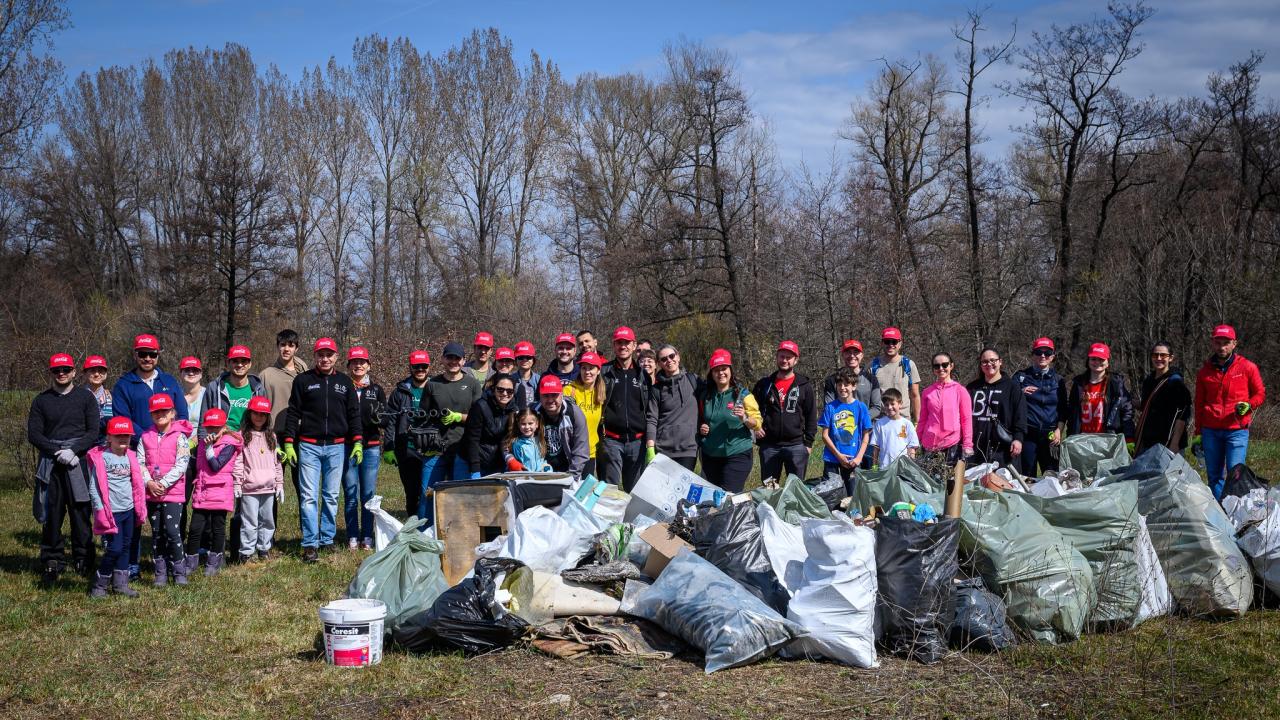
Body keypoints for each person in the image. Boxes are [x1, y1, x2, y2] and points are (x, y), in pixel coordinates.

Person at [282, 337, 362, 563]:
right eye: (320, 355)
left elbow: (353, 414)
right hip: (308, 446)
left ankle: (327, 539)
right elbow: (293, 412)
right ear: (314, 357)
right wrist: (289, 441)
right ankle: (310, 544)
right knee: (308, 497)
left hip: (337, 447)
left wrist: (357, 441)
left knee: (331, 496)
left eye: (329, 355)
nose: (325, 359)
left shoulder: (345, 382)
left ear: (336, 357)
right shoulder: (303, 380)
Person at [29, 353, 100, 586]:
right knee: (52, 513)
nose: (61, 373)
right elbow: (35, 434)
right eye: (57, 370)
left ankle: (84, 558)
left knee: (80, 513)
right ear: (51, 373)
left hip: (77, 463)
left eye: (66, 369)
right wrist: (55, 451)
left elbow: (93, 431)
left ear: (73, 372)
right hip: (51, 464)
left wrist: (74, 450)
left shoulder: (85, 398)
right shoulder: (41, 401)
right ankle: (52, 560)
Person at [1194, 324, 1266, 500]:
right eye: (1218, 343)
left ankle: (1237, 514)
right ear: (1213, 343)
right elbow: (1199, 403)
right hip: (1210, 430)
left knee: (1236, 475)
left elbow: (1260, 393)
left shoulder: (1248, 367)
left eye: (1226, 343)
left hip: (1236, 430)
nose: (1222, 347)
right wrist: (1197, 433)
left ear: (1234, 344)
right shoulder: (1205, 372)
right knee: (1214, 476)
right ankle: (1222, 515)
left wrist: (1249, 405)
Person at [417, 342, 482, 524]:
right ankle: (424, 535)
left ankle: (458, 534)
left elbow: (480, 418)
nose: (453, 361)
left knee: (460, 495)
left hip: (463, 449)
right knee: (427, 493)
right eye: (449, 357)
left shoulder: (472, 384)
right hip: (435, 448)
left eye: (457, 358)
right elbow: (423, 416)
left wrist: (459, 417)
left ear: (463, 361)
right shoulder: (432, 385)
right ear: (443, 359)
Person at [85, 417, 146, 598]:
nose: (123, 439)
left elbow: (136, 484)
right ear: (108, 437)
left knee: (126, 546)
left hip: (128, 511)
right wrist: (100, 510)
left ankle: (121, 584)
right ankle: (100, 584)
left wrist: (138, 507)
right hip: (111, 512)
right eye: (118, 435)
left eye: (126, 436)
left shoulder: (131, 457)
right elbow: (94, 488)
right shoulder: (102, 458)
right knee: (115, 548)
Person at [137, 394, 192, 587]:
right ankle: (160, 572)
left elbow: (182, 463)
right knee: (157, 533)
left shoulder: (180, 437)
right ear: (151, 414)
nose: (160, 414)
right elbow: (139, 463)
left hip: (173, 493)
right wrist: (149, 483)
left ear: (172, 413)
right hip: (152, 493)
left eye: (164, 411)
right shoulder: (145, 437)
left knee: (172, 531)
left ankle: (178, 570)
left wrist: (164, 483)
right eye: (156, 411)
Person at [185, 408, 243, 578]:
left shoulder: (229, 444)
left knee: (218, 529)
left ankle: (214, 563)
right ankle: (191, 562)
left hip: (219, 492)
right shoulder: (202, 443)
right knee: (195, 529)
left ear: (224, 427)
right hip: (202, 493)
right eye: (209, 428)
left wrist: (209, 448)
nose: (212, 431)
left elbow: (216, 466)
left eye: (216, 428)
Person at [752, 340, 818, 481]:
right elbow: (751, 410)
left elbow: (811, 415)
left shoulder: (804, 385)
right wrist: (754, 429)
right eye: (782, 356)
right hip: (769, 446)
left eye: (789, 357)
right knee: (769, 491)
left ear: (796, 360)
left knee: (796, 490)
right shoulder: (764, 385)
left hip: (796, 446)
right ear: (777, 357)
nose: (785, 360)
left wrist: (808, 443)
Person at [698, 349, 762, 492]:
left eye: (724, 369)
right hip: (710, 455)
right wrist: (703, 427)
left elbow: (757, 423)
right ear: (711, 373)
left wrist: (744, 418)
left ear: (730, 370)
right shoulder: (706, 395)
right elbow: (703, 419)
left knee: (729, 496)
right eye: (716, 370)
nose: (721, 373)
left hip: (736, 454)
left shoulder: (743, 395)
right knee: (711, 497)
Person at [111, 334, 189, 445]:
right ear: (135, 355)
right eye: (142, 354)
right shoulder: (123, 385)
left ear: (157, 356)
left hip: (171, 447)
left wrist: (173, 439)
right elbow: (123, 420)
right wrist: (147, 440)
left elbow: (182, 415)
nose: (148, 358)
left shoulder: (169, 381)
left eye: (152, 354)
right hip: (138, 449)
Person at [344, 346, 385, 550]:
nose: (358, 365)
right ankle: (352, 535)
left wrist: (380, 417)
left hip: (371, 447)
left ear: (368, 365)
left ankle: (367, 535)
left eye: (362, 362)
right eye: (354, 362)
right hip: (348, 446)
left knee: (368, 493)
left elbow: (385, 419)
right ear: (349, 365)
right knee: (351, 492)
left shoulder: (376, 390)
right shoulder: (343, 387)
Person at [382, 350, 432, 517]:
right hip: (407, 448)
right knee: (412, 492)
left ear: (428, 367)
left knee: (429, 490)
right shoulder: (400, 391)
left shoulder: (436, 388)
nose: (420, 370)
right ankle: (412, 527)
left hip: (431, 449)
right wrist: (389, 446)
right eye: (416, 366)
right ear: (410, 367)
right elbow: (391, 421)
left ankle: (429, 526)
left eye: (424, 366)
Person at [260, 329, 308, 501]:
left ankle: (307, 528)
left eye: (291, 345)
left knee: (302, 485)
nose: (286, 349)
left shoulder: (304, 374)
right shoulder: (266, 375)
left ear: (297, 348)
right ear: (277, 347)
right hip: (274, 436)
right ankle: (268, 527)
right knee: (271, 485)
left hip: (299, 434)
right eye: (282, 345)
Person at [235, 396, 283, 562]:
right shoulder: (242, 436)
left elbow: (277, 463)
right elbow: (238, 462)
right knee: (249, 522)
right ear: (249, 414)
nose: (259, 417)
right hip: (249, 488)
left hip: (269, 488)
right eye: (255, 413)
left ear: (268, 416)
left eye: (263, 414)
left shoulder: (272, 436)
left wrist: (280, 484)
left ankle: (264, 549)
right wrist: (237, 483)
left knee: (267, 521)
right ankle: (246, 552)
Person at [601, 326, 649, 490]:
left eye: (627, 343)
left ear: (634, 345)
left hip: (637, 441)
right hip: (612, 440)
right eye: (619, 343)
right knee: (610, 491)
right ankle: (609, 517)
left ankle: (631, 517)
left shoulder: (643, 375)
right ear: (614, 346)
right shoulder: (604, 372)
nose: (623, 346)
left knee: (634, 490)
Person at [1013, 338, 1068, 476]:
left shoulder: (1059, 380)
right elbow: (1008, 400)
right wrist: (1020, 393)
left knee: (1052, 476)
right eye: (1038, 352)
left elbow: (1063, 409)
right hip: (1028, 435)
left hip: (1050, 436)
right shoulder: (1021, 377)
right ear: (1032, 355)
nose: (1042, 356)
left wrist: (1059, 430)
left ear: (1053, 356)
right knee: (1027, 475)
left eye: (1047, 352)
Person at [967, 348, 1027, 468]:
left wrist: (1018, 439)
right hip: (976, 448)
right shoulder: (972, 388)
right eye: (984, 362)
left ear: (1000, 362)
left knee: (1002, 485)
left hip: (1003, 449)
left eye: (993, 360)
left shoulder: (1012, 388)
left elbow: (1020, 417)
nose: (989, 364)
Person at [1063, 343, 1135, 440]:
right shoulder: (1079, 384)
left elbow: (1127, 412)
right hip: (1082, 440)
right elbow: (1072, 414)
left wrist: (1129, 437)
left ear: (1108, 362)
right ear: (1088, 361)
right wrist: (1070, 436)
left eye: (1101, 359)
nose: (1097, 362)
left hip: (1108, 440)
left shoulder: (1116, 384)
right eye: (1093, 359)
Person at [819, 367, 872, 497]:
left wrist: (859, 457)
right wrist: (838, 456)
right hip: (832, 459)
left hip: (853, 461)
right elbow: (825, 435)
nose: (842, 387)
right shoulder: (830, 407)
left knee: (852, 497)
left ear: (854, 386)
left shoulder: (861, 407)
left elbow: (866, 435)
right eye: (839, 384)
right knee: (832, 497)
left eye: (846, 384)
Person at [1134, 341, 1193, 456]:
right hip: (1148, 443)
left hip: (1168, 444)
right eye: (1155, 355)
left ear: (1170, 358)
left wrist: (1174, 444)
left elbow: (1182, 415)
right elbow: (1149, 407)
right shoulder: (1148, 381)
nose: (1158, 358)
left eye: (1163, 355)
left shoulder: (1175, 383)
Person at [532, 375, 590, 480]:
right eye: (546, 395)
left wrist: (570, 478)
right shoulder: (532, 413)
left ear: (561, 395)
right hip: (539, 472)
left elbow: (581, 451)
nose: (550, 400)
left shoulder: (574, 413)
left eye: (554, 395)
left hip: (567, 471)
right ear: (540, 396)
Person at [917, 352, 973, 461]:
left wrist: (968, 444)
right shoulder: (927, 392)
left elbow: (966, 420)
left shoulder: (960, 390)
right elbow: (922, 420)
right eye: (937, 366)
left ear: (951, 366)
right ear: (933, 369)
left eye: (944, 364)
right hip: (929, 444)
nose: (941, 368)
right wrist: (915, 441)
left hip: (952, 444)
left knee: (949, 478)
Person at [200, 345, 266, 436]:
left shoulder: (258, 389)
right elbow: (203, 421)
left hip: (250, 438)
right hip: (221, 438)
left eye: (243, 361)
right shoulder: (214, 387)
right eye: (235, 361)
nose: (239, 365)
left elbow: (265, 420)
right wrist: (203, 446)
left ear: (250, 364)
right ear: (228, 363)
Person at [465, 372, 518, 478]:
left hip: (496, 463)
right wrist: (474, 469)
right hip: (471, 461)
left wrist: (511, 459)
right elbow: (472, 440)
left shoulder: (514, 410)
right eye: (500, 389)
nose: (504, 393)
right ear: (493, 389)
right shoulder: (480, 406)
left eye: (509, 391)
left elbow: (509, 440)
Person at [563, 352, 605, 478]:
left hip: (590, 454)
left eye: (591, 368)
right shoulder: (569, 391)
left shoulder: (601, 393)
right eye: (584, 368)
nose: (587, 372)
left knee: (584, 493)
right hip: (570, 453)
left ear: (598, 370)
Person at [872, 327, 922, 424]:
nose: (891, 345)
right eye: (887, 341)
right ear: (882, 343)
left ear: (900, 343)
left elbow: (915, 396)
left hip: (903, 421)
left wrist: (917, 422)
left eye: (894, 342)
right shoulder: (872, 366)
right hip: (879, 422)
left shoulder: (908, 365)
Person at [822, 339, 882, 417]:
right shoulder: (832, 380)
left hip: (865, 427)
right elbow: (828, 407)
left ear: (861, 355)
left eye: (856, 352)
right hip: (840, 426)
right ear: (842, 355)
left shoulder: (871, 379)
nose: (852, 355)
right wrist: (846, 419)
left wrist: (859, 418)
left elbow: (876, 408)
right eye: (848, 352)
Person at [869, 388, 920, 466]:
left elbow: (911, 449)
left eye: (892, 404)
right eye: (886, 405)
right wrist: (874, 467)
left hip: (902, 469)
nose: (889, 407)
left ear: (900, 404)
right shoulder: (879, 424)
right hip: (884, 468)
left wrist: (911, 467)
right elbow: (876, 449)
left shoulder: (907, 424)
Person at [505, 408, 551, 472]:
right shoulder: (517, 444)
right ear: (518, 425)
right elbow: (517, 467)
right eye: (523, 424)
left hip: (541, 478)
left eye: (530, 423)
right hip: (526, 479)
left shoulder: (540, 440)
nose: (527, 427)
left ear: (537, 424)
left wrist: (547, 468)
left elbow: (542, 461)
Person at [82, 355, 112, 442]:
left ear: (105, 375)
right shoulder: (78, 396)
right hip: (84, 445)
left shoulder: (112, 396)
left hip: (107, 446)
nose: (96, 374)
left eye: (100, 371)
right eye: (92, 371)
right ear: (85, 374)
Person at [512, 341, 541, 409]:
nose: (525, 360)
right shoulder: (510, 380)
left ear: (533, 360)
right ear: (516, 360)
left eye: (528, 357)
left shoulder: (540, 380)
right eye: (521, 357)